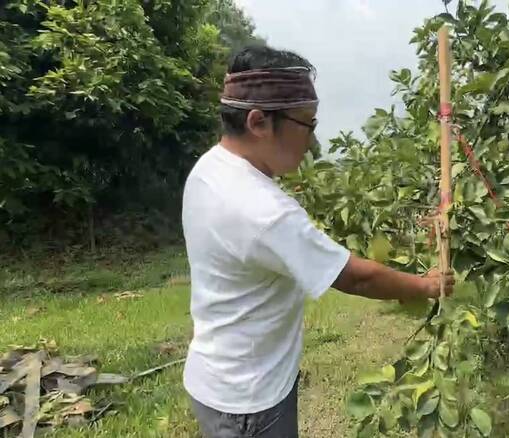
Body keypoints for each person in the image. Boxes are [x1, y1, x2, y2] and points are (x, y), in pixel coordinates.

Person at [180, 44, 454, 438]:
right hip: (249, 399)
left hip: (219, 376)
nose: (311, 141)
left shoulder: (211, 168)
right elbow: (355, 278)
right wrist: (426, 285)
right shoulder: (262, 209)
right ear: (258, 122)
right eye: (307, 124)